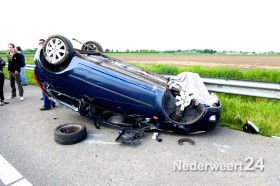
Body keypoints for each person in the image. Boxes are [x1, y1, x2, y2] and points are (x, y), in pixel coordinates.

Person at [34, 39, 55, 111]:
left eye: (42, 43)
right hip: (49, 72)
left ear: (45, 43)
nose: (40, 44)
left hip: (46, 72)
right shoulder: (49, 51)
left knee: (45, 88)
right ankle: (52, 103)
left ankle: (47, 105)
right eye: (39, 43)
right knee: (51, 89)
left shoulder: (42, 51)